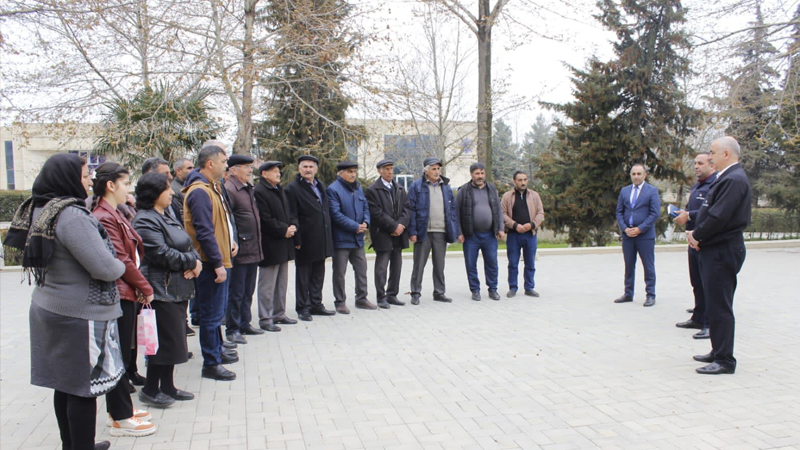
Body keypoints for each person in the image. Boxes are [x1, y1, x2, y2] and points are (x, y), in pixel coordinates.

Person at [4, 154, 134, 450]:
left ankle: (73, 445)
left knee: (65, 385)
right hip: (78, 314)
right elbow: (104, 267)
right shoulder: (71, 216)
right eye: (86, 174)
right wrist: (119, 266)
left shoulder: (39, 208)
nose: (90, 180)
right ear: (67, 177)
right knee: (83, 390)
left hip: (50, 307)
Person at [90, 162, 158, 435]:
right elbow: (121, 259)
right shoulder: (104, 215)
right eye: (125, 182)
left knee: (120, 353)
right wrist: (145, 286)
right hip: (119, 291)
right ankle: (121, 416)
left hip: (126, 289)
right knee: (116, 355)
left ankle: (119, 411)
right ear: (111, 185)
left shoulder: (114, 212)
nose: (129, 188)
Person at [132, 172, 201, 406]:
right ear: (154, 193)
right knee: (161, 343)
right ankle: (151, 390)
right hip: (161, 291)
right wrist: (192, 262)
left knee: (172, 342)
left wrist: (195, 260)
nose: (172, 192)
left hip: (176, 289)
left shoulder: (165, 215)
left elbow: (187, 243)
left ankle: (168, 387)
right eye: (167, 188)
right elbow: (160, 253)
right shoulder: (144, 219)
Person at [687, 136, 751, 375]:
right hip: (715, 249)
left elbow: (718, 216)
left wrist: (698, 235)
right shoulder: (727, 178)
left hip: (722, 251)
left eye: (712, 152)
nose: (710, 157)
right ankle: (717, 349)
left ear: (726, 154)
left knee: (720, 306)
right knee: (713, 304)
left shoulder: (734, 179)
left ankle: (725, 360)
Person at [183, 140, 239, 381]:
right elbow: (204, 231)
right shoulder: (199, 191)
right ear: (210, 163)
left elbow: (221, 223)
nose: (226, 165)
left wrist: (230, 242)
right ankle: (211, 363)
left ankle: (216, 351)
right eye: (224, 161)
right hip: (209, 263)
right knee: (211, 315)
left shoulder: (212, 187)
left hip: (220, 258)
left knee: (216, 314)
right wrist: (217, 263)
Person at [285, 155, 336, 321]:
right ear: (299, 169)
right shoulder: (292, 188)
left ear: (316, 169)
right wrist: (297, 240)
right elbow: (292, 215)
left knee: (318, 273)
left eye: (311, 167)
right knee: (303, 275)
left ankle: (316, 303)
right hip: (305, 239)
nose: (308, 169)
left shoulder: (320, 185)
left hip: (321, 237)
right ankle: (303, 307)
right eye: (304, 166)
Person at [673, 152, 717, 339]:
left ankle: (709, 324)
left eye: (700, 163)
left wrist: (689, 215)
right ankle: (698, 317)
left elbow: (712, 211)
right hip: (693, 240)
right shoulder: (698, 185)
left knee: (709, 285)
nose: (696, 166)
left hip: (706, 241)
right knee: (697, 282)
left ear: (712, 165)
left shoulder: (715, 185)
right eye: (695, 163)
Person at [224, 154, 265, 344]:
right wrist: (234, 242)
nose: (250, 170)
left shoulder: (247, 188)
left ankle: (245, 323)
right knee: (237, 292)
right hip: (240, 250)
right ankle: (233, 329)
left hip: (253, 248)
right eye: (245, 167)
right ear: (233, 170)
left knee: (248, 290)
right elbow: (228, 221)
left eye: (250, 167)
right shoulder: (230, 189)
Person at [254, 161, 299, 331]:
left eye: (278, 171)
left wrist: (293, 226)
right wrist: (283, 230)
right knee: (267, 284)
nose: (278, 174)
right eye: (274, 171)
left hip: (284, 243)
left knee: (281, 282)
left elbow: (289, 212)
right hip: (270, 243)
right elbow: (264, 219)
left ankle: (279, 314)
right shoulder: (260, 191)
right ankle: (265, 318)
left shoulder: (279, 189)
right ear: (264, 174)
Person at [407, 156, 459, 305]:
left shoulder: (446, 187)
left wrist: (453, 229)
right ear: (426, 171)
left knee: (439, 265)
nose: (437, 172)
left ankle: (439, 292)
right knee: (419, 264)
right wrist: (413, 232)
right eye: (434, 169)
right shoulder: (416, 186)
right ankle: (415, 293)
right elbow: (410, 210)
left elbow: (452, 210)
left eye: (438, 169)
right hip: (423, 232)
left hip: (441, 231)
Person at [327, 160, 374, 314]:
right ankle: (340, 302)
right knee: (340, 272)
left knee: (362, 269)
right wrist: (355, 226)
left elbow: (365, 207)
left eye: (354, 171)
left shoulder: (358, 188)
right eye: (349, 171)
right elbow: (335, 214)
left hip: (357, 239)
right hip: (341, 239)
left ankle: (361, 299)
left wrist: (366, 222)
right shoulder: (333, 189)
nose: (353, 174)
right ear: (341, 173)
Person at [455, 162, 504, 301]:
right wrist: (459, 232)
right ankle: (475, 290)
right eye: (477, 173)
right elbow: (456, 213)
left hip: (490, 234)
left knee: (492, 264)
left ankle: (493, 289)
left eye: (482, 173)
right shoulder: (463, 190)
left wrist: (500, 228)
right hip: (471, 235)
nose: (480, 176)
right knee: (471, 264)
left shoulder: (492, 189)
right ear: (471, 174)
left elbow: (498, 210)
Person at [614, 163, 661, 307]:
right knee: (629, 265)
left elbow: (654, 214)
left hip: (645, 236)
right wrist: (624, 228)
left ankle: (650, 295)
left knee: (648, 265)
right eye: (633, 174)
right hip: (628, 235)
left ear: (645, 175)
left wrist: (640, 229)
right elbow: (619, 212)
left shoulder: (651, 191)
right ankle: (628, 293)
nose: (636, 177)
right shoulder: (625, 191)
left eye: (639, 174)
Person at [365, 159, 411, 308]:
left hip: (399, 233)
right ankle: (381, 297)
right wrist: (393, 227)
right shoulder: (373, 190)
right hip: (383, 233)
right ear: (379, 171)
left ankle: (392, 295)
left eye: (391, 169)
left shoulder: (399, 188)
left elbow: (407, 209)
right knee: (382, 267)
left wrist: (401, 225)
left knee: (396, 266)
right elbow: (376, 213)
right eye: (387, 169)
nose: (390, 172)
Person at [501, 170, 545, 298]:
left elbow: (541, 213)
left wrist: (531, 225)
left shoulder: (534, 196)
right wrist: (515, 225)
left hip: (530, 234)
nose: (523, 182)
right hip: (514, 235)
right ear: (514, 181)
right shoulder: (507, 196)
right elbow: (502, 213)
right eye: (520, 180)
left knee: (530, 263)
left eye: (525, 179)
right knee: (513, 263)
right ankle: (513, 288)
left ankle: (529, 287)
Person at [142, 157, 182, 222]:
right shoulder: (142, 209)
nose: (171, 177)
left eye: (169, 173)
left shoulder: (172, 200)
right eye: (165, 174)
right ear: (150, 175)